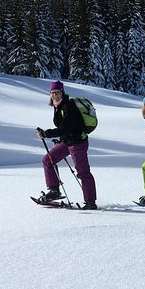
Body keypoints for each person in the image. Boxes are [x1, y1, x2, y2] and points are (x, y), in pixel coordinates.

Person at [36, 81, 97, 210]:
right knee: (48, 160)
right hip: (67, 141)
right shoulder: (58, 106)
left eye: (57, 92)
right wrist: (61, 139)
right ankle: (54, 190)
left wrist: (46, 134)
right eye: (53, 93)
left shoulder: (69, 106)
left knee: (83, 172)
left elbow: (66, 128)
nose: (55, 95)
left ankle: (90, 202)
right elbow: (66, 128)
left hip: (78, 143)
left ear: (62, 92)